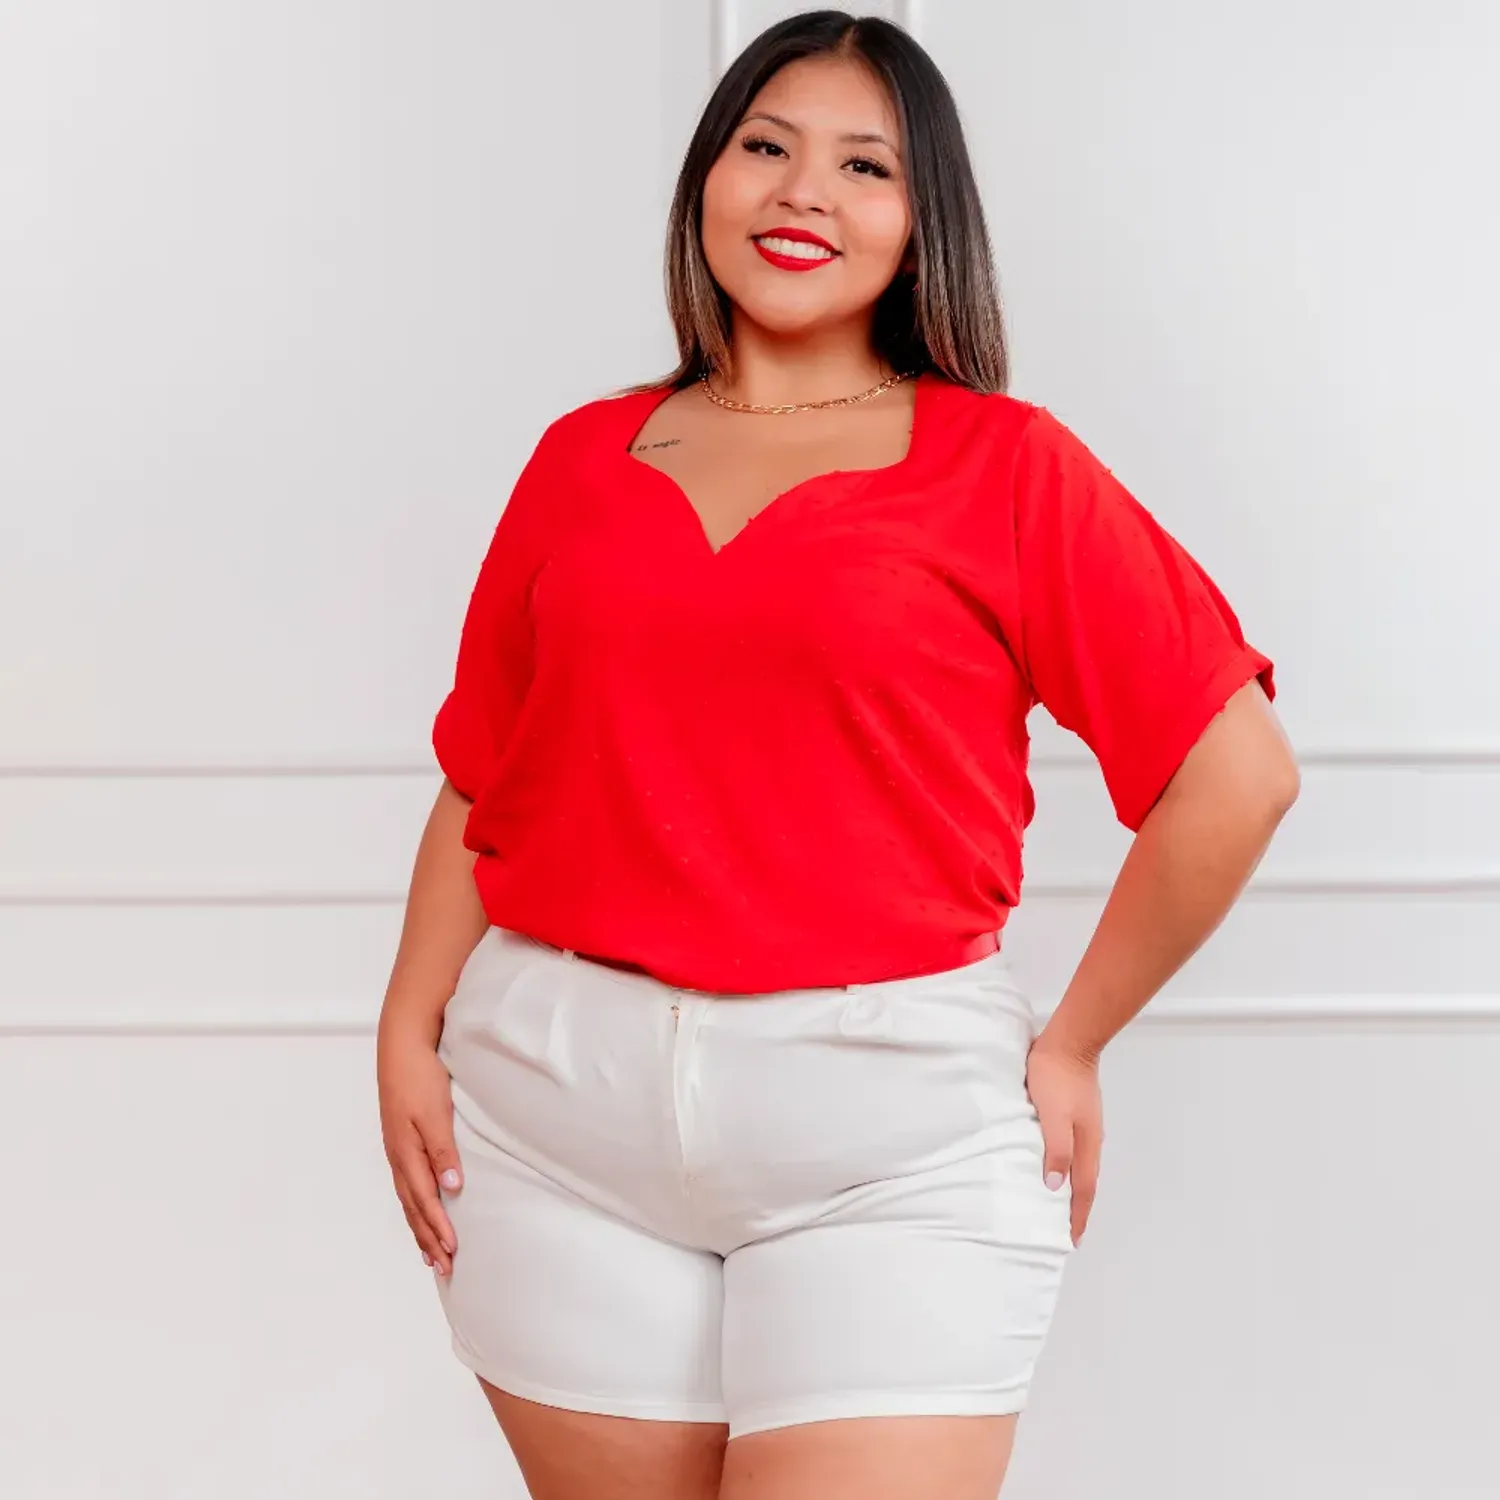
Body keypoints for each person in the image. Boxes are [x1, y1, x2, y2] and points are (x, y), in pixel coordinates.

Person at [375, 11, 1298, 1499]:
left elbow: (1238, 772)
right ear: (706, 179)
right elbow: (487, 767)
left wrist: (1071, 1042)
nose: (804, 191)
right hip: (551, 1127)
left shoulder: (1009, 466)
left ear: (926, 223)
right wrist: (405, 1024)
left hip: (891, 1143)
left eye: (866, 166)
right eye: (766, 146)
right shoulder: (581, 458)